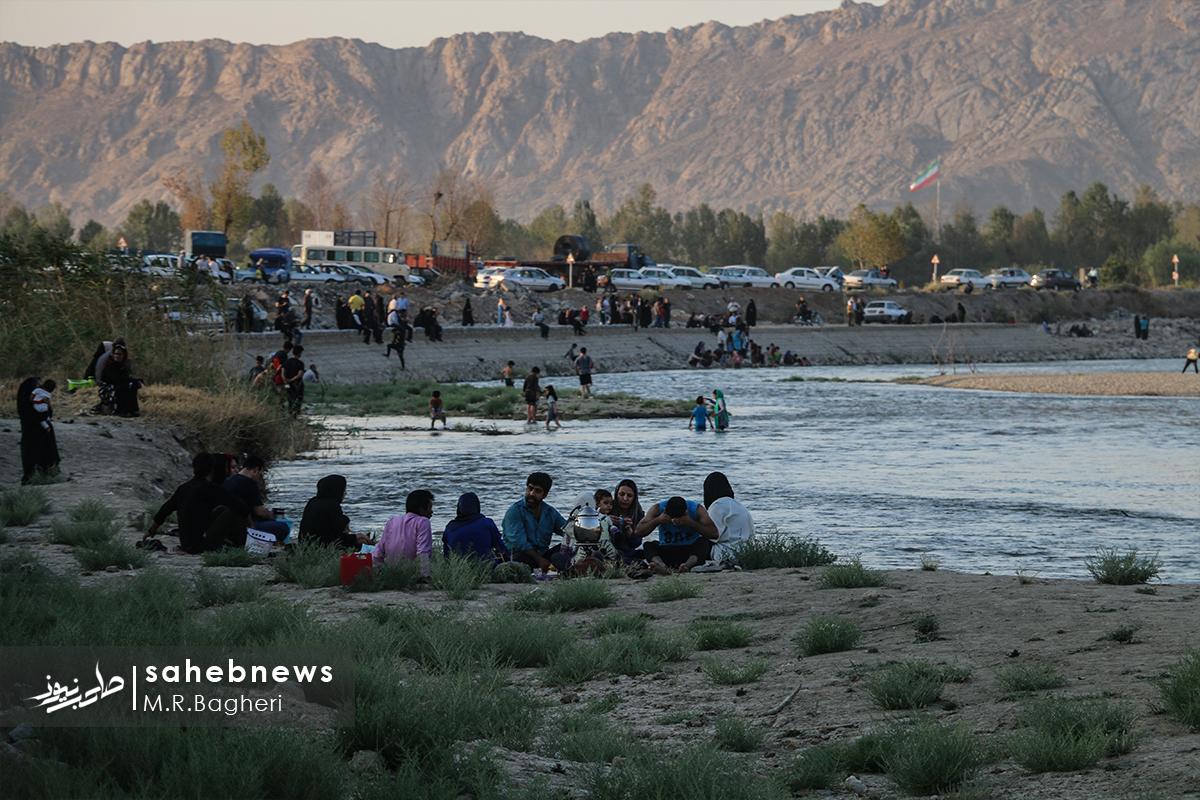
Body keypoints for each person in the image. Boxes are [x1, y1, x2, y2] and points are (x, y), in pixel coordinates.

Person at [146, 453, 252, 553]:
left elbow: (164, 510)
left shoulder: (184, 488)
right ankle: (249, 547)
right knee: (233, 512)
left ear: (193, 470)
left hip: (186, 542)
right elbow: (241, 506)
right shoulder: (211, 488)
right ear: (212, 471)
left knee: (222, 510)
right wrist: (252, 528)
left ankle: (241, 546)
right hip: (198, 545)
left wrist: (152, 530)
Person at [501, 472, 569, 571]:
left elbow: (566, 530)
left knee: (566, 548)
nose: (532, 494)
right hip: (519, 556)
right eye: (530, 489)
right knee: (522, 560)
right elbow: (520, 544)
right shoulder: (515, 511)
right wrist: (540, 561)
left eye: (537, 491)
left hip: (542, 555)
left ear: (545, 495)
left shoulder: (550, 512)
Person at [637, 495, 718, 574]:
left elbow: (714, 533)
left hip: (689, 551)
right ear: (665, 510)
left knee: (704, 541)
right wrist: (657, 520)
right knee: (648, 545)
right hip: (667, 549)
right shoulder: (657, 509)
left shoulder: (696, 509)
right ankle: (662, 566)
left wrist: (692, 523)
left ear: (686, 512)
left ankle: (686, 566)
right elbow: (638, 532)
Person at [223, 454, 290, 542]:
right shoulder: (250, 483)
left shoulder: (228, 480)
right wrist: (268, 513)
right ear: (256, 469)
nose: (259, 477)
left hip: (228, 524)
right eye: (260, 474)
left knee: (272, 521)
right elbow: (260, 513)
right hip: (244, 526)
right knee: (283, 527)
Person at [299, 474, 375, 548]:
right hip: (322, 547)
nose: (345, 493)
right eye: (343, 490)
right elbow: (339, 537)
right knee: (363, 546)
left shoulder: (313, 501)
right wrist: (358, 536)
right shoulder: (332, 505)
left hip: (306, 545)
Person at [374, 489, 434, 575]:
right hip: (412, 573)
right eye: (430, 508)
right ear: (421, 510)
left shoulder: (392, 521)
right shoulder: (423, 521)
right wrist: (425, 574)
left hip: (393, 572)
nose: (432, 512)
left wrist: (375, 571)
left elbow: (379, 550)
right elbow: (422, 550)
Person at [443, 492, 509, 566]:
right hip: (487, 569)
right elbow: (500, 548)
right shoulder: (486, 523)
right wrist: (509, 562)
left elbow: (447, 556)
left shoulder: (449, 528)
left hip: (460, 570)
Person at [703, 472, 754, 565]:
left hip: (727, 553)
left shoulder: (718, 505)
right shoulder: (737, 504)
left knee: (699, 539)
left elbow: (712, 534)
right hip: (746, 552)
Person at [17, 377, 60, 484]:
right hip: (32, 432)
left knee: (48, 453)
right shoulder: (25, 402)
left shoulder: (41, 396)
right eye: (37, 384)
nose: (40, 386)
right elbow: (35, 416)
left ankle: (48, 475)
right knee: (32, 456)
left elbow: (48, 414)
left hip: (44, 432)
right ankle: (31, 478)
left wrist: (48, 406)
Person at [100, 345, 142, 417]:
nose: (117, 356)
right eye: (116, 354)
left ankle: (132, 410)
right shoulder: (109, 365)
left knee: (133, 385)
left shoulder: (123, 366)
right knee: (124, 386)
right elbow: (118, 380)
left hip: (118, 386)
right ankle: (120, 411)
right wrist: (134, 380)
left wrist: (136, 382)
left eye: (120, 354)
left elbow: (125, 378)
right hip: (108, 389)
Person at [282, 344, 306, 417]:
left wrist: (286, 381)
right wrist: (291, 380)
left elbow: (282, 373)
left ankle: (290, 413)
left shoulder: (286, 362)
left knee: (290, 399)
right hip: (297, 384)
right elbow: (300, 374)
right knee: (298, 399)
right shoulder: (300, 363)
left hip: (287, 384)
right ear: (299, 353)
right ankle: (295, 414)